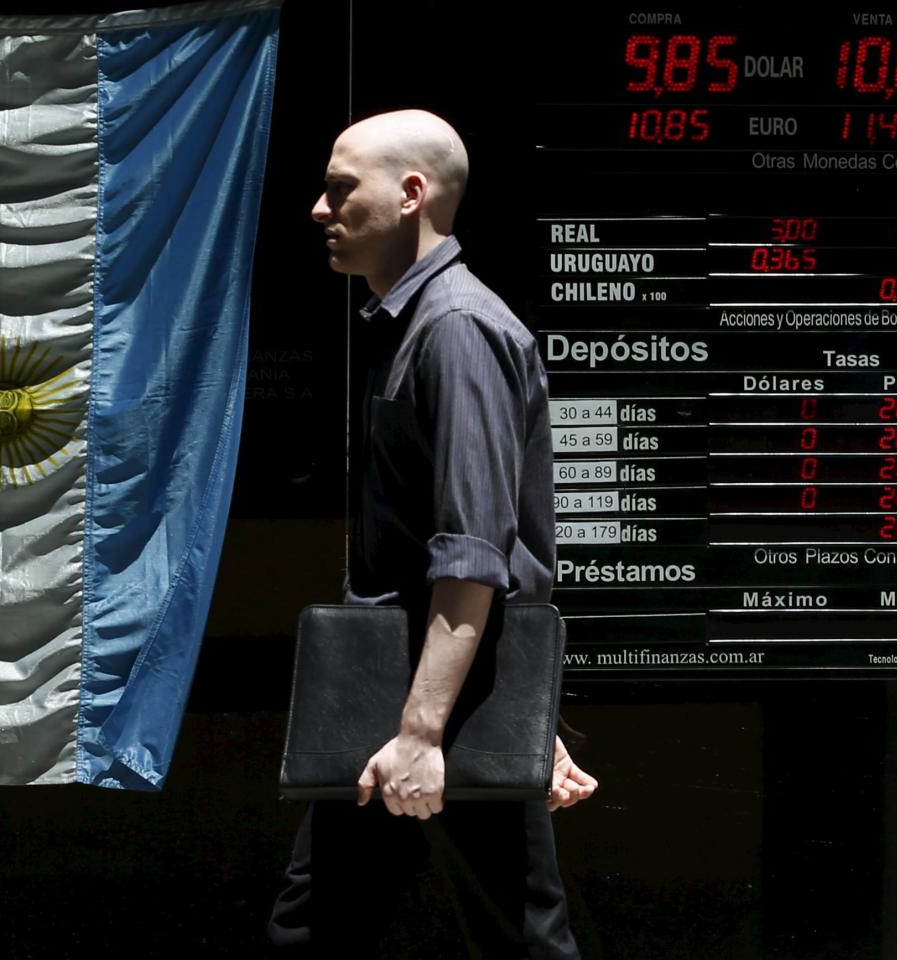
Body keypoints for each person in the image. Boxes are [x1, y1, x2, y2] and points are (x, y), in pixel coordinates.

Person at [267, 109, 598, 957]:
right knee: (327, 927)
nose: (318, 208)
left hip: (423, 707)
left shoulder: (454, 329)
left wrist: (424, 733)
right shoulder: (415, 324)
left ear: (411, 193)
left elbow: (474, 551)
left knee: (516, 934)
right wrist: (515, 717)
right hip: (418, 693)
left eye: (341, 188)